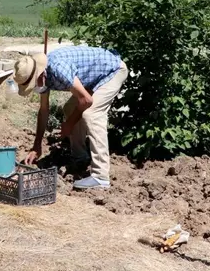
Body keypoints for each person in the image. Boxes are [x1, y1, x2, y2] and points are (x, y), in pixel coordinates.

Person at [13, 45, 128, 190]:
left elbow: (86, 100)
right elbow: (43, 111)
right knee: (69, 108)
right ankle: (80, 157)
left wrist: (69, 124)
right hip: (92, 78)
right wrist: (36, 146)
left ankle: (100, 177)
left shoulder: (57, 69)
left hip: (112, 71)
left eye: (32, 85)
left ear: (40, 75)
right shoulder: (42, 78)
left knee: (92, 114)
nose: (33, 88)